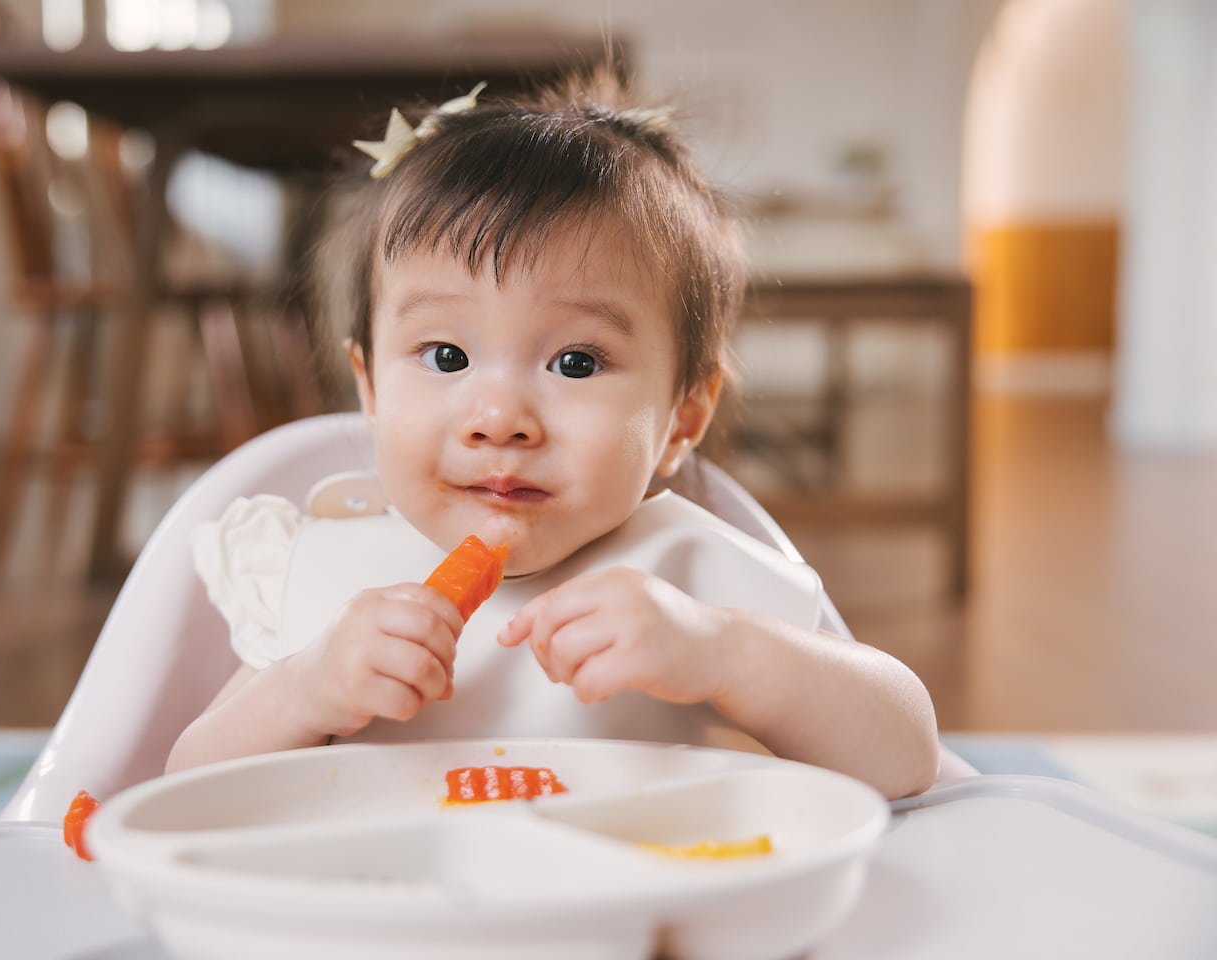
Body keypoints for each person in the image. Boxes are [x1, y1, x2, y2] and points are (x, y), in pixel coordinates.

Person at [166, 74, 940, 799]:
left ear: (683, 418)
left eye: (576, 362)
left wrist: (725, 654)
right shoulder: (330, 578)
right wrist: (305, 692)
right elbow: (186, 786)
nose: (500, 417)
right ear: (369, 387)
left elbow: (907, 757)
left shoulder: (690, 581)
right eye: (447, 356)